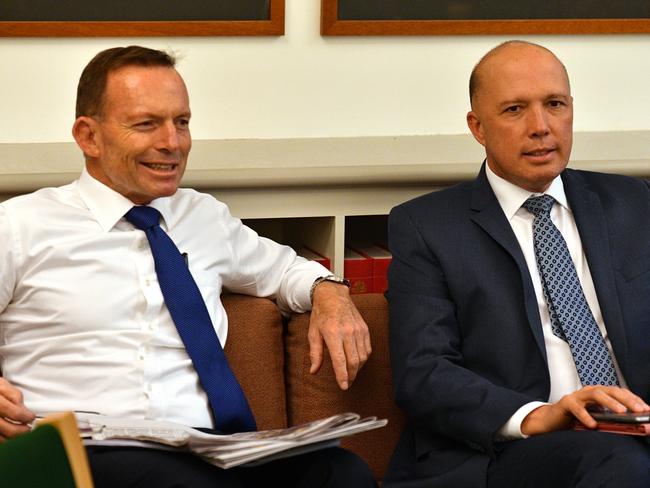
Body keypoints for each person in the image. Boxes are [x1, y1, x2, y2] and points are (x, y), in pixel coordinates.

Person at [0, 46, 376, 487]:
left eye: (181, 122)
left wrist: (330, 292)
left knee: (341, 473)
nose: (172, 142)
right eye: (146, 124)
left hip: (207, 448)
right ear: (89, 136)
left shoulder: (204, 217)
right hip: (81, 449)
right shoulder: (21, 225)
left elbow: (287, 270)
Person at [384, 40, 650, 488]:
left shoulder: (633, 202)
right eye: (514, 110)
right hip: (512, 448)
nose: (541, 127)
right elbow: (423, 372)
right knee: (623, 462)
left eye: (554, 104)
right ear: (478, 127)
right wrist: (540, 416)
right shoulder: (426, 225)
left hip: (636, 428)